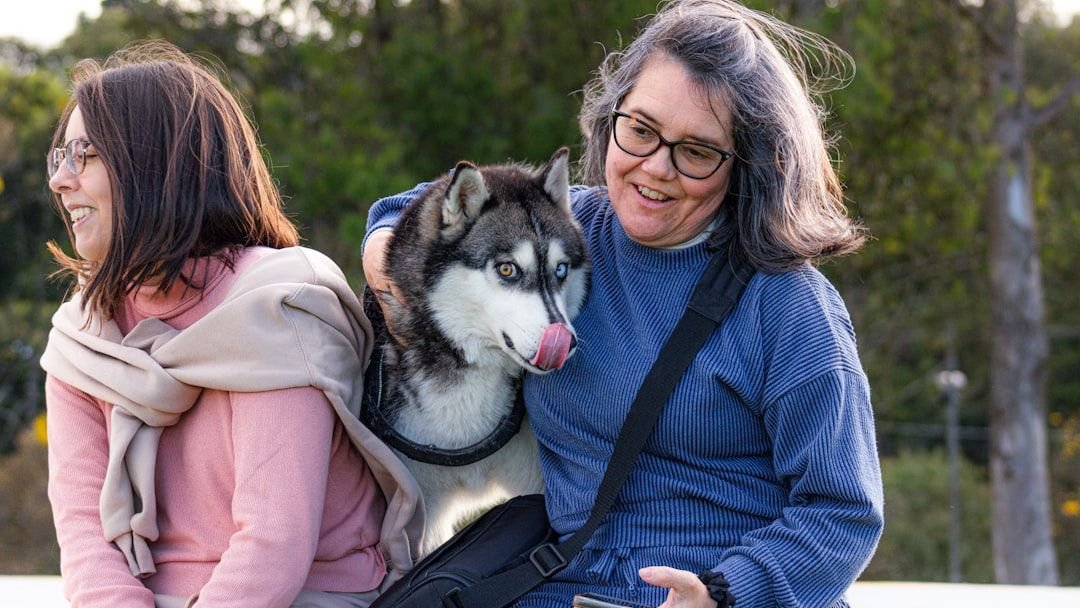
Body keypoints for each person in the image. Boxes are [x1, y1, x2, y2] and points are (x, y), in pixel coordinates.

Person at [362, 1, 883, 607]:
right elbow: (406, 210)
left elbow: (843, 513)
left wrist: (727, 592)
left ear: (747, 166)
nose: (655, 169)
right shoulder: (562, 230)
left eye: (696, 151)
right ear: (610, 119)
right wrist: (385, 260)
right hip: (554, 586)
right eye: (640, 130)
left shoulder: (789, 306)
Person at [40, 41, 422, 608]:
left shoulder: (276, 305)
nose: (60, 181)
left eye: (85, 154)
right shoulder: (82, 337)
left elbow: (271, 550)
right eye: (59, 157)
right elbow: (86, 544)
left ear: (156, 163)